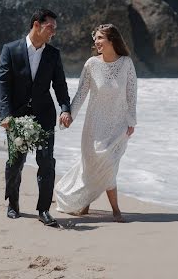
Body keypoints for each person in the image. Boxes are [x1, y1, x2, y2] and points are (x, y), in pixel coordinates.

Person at [0, 8, 72, 226]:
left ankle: (44, 210)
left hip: (44, 116)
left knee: (47, 164)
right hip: (17, 117)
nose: (53, 32)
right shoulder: (10, 50)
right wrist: (5, 114)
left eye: (55, 29)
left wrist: (65, 108)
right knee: (15, 163)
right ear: (36, 25)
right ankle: (13, 203)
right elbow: (3, 85)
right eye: (50, 27)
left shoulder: (53, 54)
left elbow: (60, 84)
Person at [55, 23, 137, 222]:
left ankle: (116, 210)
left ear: (111, 40)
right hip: (95, 126)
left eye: (100, 38)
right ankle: (84, 204)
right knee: (92, 165)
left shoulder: (126, 63)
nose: (96, 42)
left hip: (118, 126)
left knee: (109, 165)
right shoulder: (92, 64)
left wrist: (131, 121)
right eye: (96, 39)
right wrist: (69, 114)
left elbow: (132, 94)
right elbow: (81, 93)